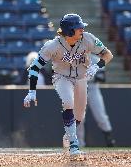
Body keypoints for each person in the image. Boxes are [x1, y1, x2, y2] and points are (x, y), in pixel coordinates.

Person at [23, 14, 113, 155]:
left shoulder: (88, 38)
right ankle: (73, 144)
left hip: (82, 78)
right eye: (79, 28)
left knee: (79, 117)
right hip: (62, 77)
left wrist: (97, 66)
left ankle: (69, 135)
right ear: (70, 30)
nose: (82, 29)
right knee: (68, 102)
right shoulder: (53, 45)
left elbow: (108, 54)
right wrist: (32, 91)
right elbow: (34, 67)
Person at [76, 54, 116, 147]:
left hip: (93, 88)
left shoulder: (96, 59)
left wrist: (88, 75)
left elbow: (102, 77)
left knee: (100, 116)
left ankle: (109, 140)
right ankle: (80, 144)